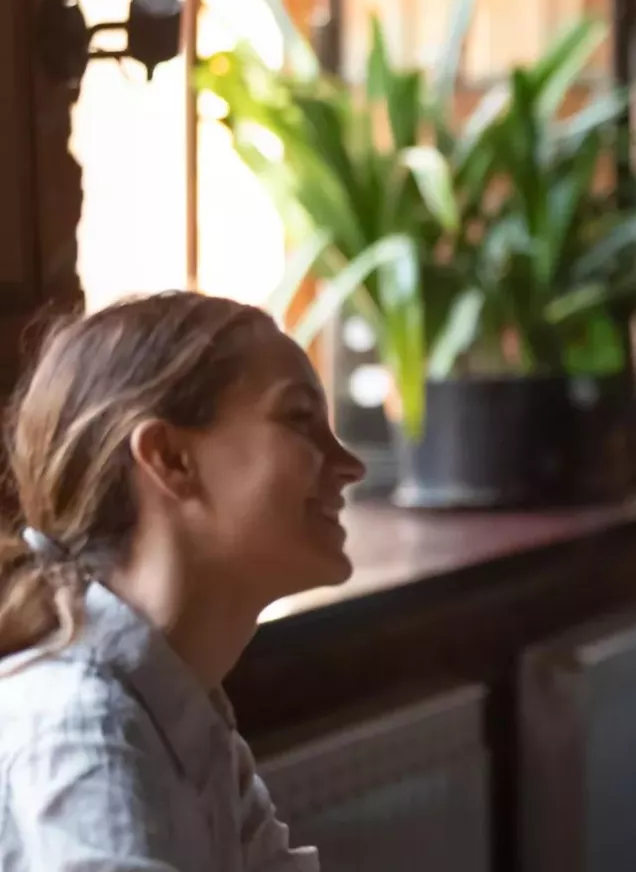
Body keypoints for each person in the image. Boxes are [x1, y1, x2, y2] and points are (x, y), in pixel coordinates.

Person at [0, 291, 366, 870]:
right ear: (170, 459)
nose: (350, 465)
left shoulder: (185, 710)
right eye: (300, 418)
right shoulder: (83, 727)